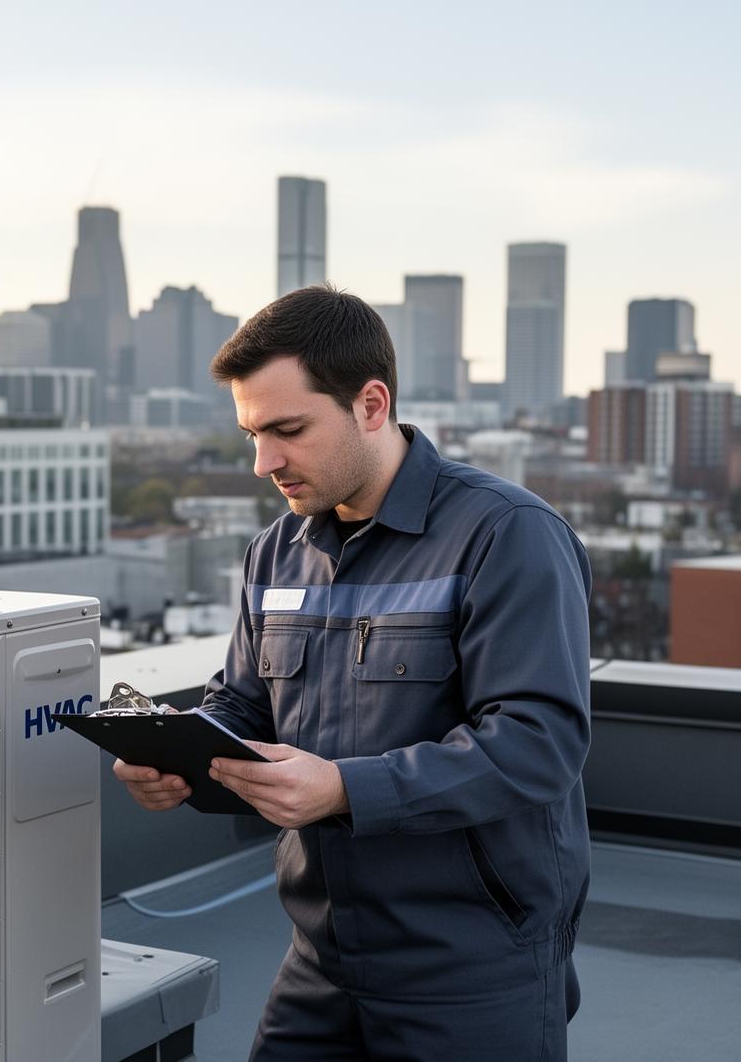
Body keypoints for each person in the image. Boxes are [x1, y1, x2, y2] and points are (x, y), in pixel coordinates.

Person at [113, 285, 592, 1061]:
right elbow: (241, 706)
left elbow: (538, 744)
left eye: (287, 430)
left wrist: (342, 789)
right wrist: (180, 763)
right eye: (251, 435)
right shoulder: (275, 553)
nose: (265, 462)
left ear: (372, 404)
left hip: (472, 968)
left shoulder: (507, 536)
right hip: (321, 957)